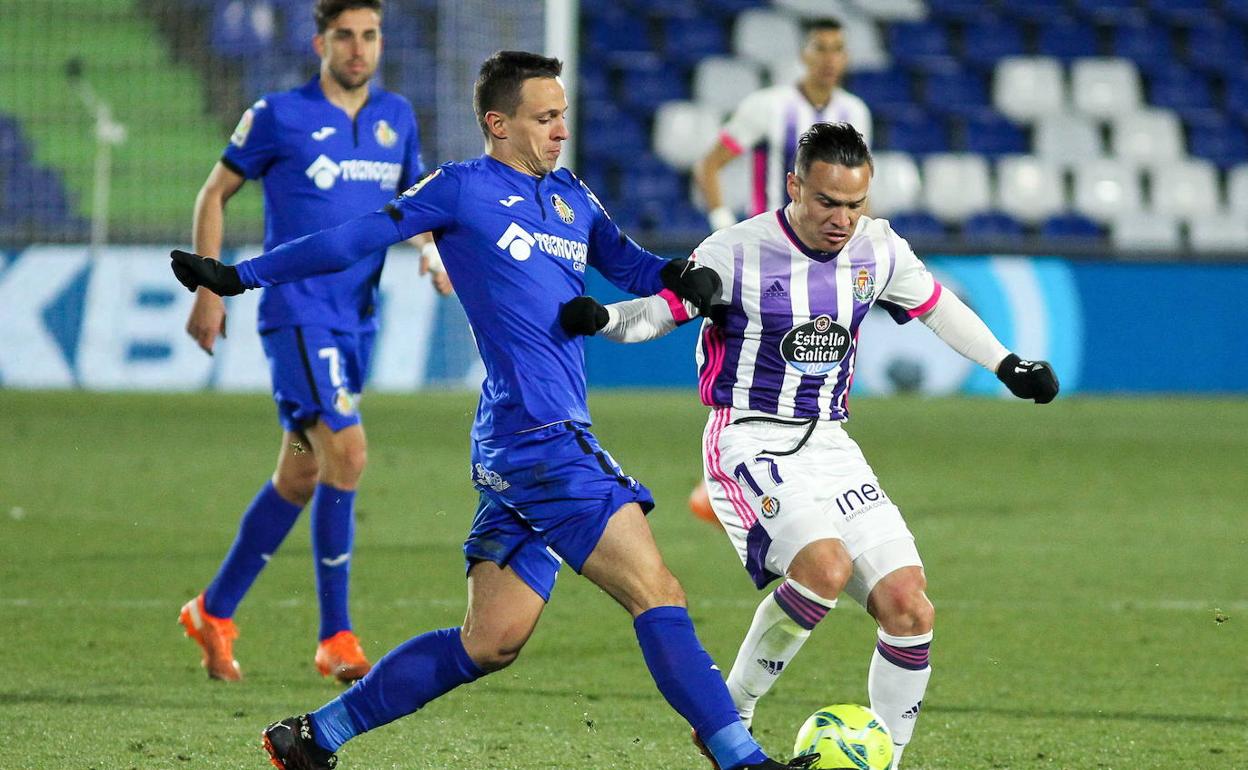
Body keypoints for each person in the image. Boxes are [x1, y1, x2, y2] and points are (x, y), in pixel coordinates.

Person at [170, 51, 819, 770]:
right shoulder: (461, 191)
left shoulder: (572, 197)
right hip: (543, 440)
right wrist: (238, 275)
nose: (560, 131)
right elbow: (355, 236)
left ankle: (312, 737)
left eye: (563, 116)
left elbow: (631, 263)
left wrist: (680, 274)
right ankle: (743, 760)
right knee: (656, 589)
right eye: (545, 119)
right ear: (497, 123)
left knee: (491, 641)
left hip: (514, 442)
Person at [559, 122, 1059, 770]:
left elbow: (937, 305)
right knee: (823, 568)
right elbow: (662, 311)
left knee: (909, 607)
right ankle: (728, 717)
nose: (842, 218)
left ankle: (885, 760)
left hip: (828, 441)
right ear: (795, 186)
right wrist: (603, 319)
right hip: (748, 436)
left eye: (854, 204)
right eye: (827, 201)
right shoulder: (738, 250)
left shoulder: (876, 249)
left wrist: (1007, 365)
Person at [177, 0, 451, 685]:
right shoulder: (277, 115)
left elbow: (411, 206)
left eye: (370, 36)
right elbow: (214, 194)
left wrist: (431, 249)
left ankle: (214, 609)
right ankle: (336, 635)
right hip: (298, 312)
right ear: (319, 42)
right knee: (349, 454)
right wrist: (210, 289)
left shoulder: (398, 118)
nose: (359, 49)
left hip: (356, 316)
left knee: (302, 473)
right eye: (345, 37)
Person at [695, 16, 872, 235]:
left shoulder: (856, 111)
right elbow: (709, 165)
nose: (829, 59)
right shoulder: (766, 105)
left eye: (837, 50)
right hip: (768, 242)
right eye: (820, 49)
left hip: (830, 246)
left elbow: (860, 186)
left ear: (846, 57)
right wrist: (722, 222)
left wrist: (866, 236)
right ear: (803, 55)